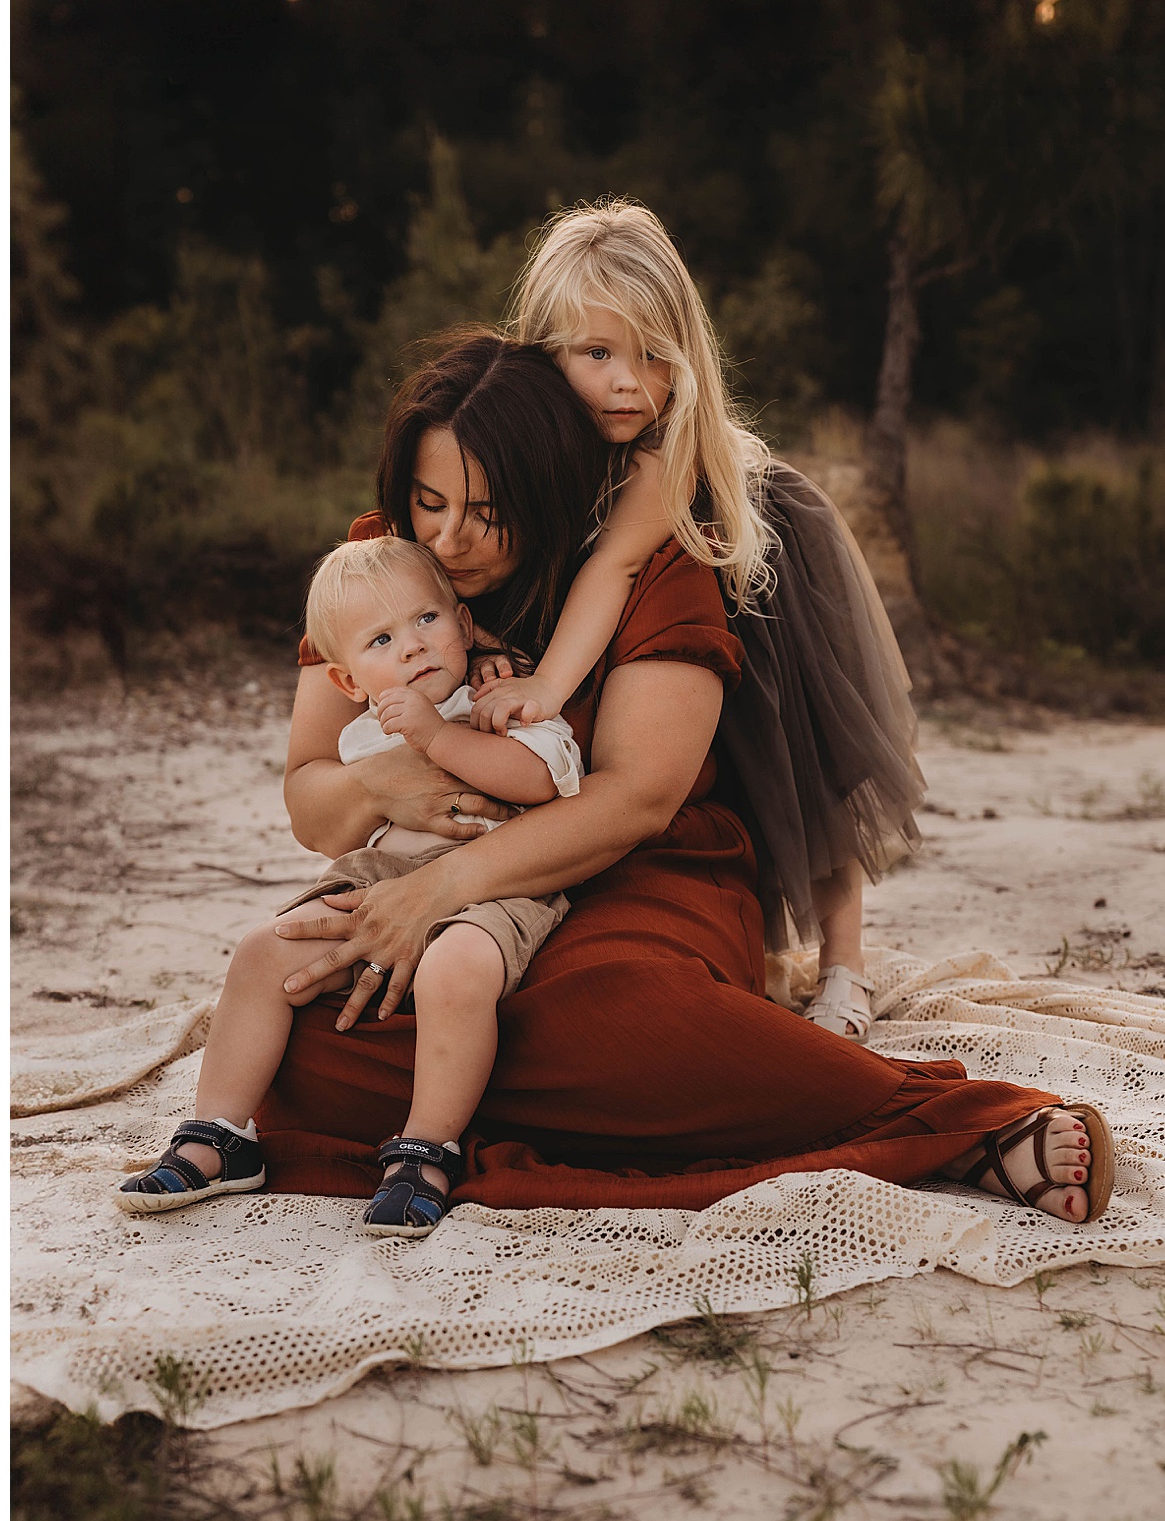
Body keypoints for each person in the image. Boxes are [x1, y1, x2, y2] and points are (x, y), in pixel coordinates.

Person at [261, 330, 1114, 1228]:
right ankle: (586, 1106)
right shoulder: (383, 577)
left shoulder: (661, 563)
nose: (447, 537)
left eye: (486, 510)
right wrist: (388, 784)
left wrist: (439, 889)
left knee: (625, 1014)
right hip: (455, 907)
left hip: (645, 877)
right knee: (309, 1037)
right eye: (426, 502)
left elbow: (639, 797)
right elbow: (312, 803)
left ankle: (957, 1127)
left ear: (548, 485)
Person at [465, 197, 924, 1046]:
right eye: (595, 353)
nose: (627, 382)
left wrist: (547, 687)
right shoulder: (540, 440)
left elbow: (614, 564)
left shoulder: (660, 448)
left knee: (801, 770)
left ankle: (846, 965)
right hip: (658, 616)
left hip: (761, 572)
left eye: (653, 356)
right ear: (542, 353)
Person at [116, 532, 583, 1236]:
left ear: (463, 625)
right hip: (383, 875)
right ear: (348, 683)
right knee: (261, 951)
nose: (412, 648)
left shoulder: (506, 701)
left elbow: (541, 781)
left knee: (455, 970)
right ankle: (219, 1134)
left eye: (427, 620)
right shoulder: (363, 736)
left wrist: (437, 734)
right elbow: (333, 821)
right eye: (381, 640)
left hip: (499, 880)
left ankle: (426, 1150)